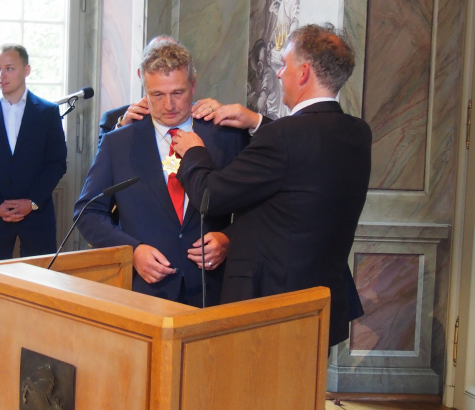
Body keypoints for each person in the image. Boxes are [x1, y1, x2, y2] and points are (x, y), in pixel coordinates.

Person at [173, 23, 371, 346]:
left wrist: (194, 152)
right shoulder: (358, 133)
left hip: (271, 306)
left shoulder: (285, 136)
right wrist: (257, 121)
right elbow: (304, 158)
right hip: (322, 304)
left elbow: (210, 195)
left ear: (304, 73)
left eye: (285, 64)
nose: (279, 74)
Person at [75, 39, 249, 307]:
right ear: (144, 89)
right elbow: (87, 213)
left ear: (193, 85)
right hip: (147, 292)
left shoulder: (225, 136)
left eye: (178, 92)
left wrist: (229, 239)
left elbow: (259, 208)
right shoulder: (118, 142)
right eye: (157, 95)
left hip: (214, 290)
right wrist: (132, 251)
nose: (169, 105)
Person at [0, 44, 67, 261]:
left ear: (26, 70)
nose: (1, 75)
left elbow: (56, 163)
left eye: (9, 68)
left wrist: (32, 202)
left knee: (40, 278)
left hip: (37, 216)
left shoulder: (48, 112)